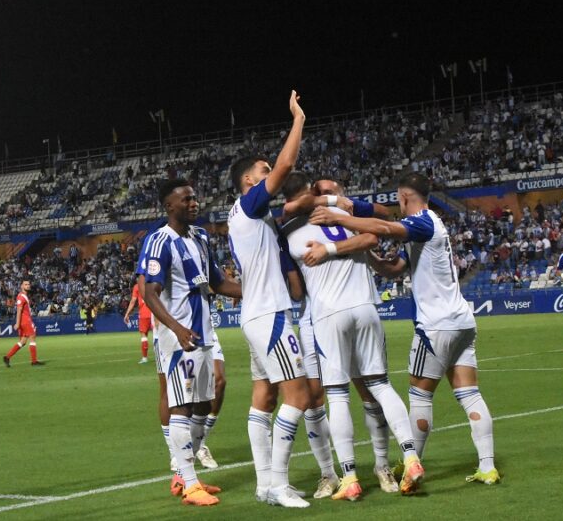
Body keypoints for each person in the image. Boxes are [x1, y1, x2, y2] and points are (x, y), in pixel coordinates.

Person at [310, 172, 500, 486]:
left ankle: (412, 466)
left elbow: (384, 227)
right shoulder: (425, 229)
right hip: (462, 322)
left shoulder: (424, 221)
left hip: (436, 325)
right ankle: (488, 466)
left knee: (420, 397)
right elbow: (396, 268)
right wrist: (365, 254)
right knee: (469, 394)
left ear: (403, 197)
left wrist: (336, 218)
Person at [283, 172, 423, 499]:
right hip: (365, 308)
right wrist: (336, 212)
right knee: (381, 385)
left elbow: (297, 288)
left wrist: (328, 248)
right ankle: (411, 456)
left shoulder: (289, 230)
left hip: (328, 314)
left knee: (338, 395)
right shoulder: (348, 216)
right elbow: (372, 238)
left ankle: (349, 478)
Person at [226, 90, 311, 508]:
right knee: (299, 396)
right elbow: (286, 165)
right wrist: (298, 119)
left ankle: (264, 484)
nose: (269, 173)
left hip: (255, 314)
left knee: (265, 396)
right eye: (262, 171)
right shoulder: (247, 205)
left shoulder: (248, 217)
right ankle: (278, 483)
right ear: (249, 182)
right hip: (272, 316)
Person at [143, 178, 242, 506]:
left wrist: (259, 291)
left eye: (194, 197)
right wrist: (176, 328)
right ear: (169, 206)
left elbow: (218, 283)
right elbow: (150, 292)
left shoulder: (200, 237)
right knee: (182, 406)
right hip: (179, 336)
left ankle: (188, 476)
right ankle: (189, 484)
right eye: (185, 200)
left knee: (203, 402)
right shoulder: (159, 241)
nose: (193, 203)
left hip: (204, 333)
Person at [3, 281, 45, 367]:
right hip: (25, 321)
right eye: (26, 284)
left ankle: (7, 357)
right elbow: (19, 310)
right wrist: (17, 323)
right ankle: (34, 361)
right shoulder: (21, 297)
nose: (28, 286)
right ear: (22, 286)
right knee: (32, 337)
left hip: (24, 320)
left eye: (29, 284)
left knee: (23, 341)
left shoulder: (23, 296)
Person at [124, 281, 153, 364]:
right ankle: (162, 356)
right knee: (157, 335)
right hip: (154, 313)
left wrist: (127, 313)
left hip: (143, 314)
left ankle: (144, 358)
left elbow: (133, 301)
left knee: (144, 336)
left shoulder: (137, 286)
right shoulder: (153, 283)